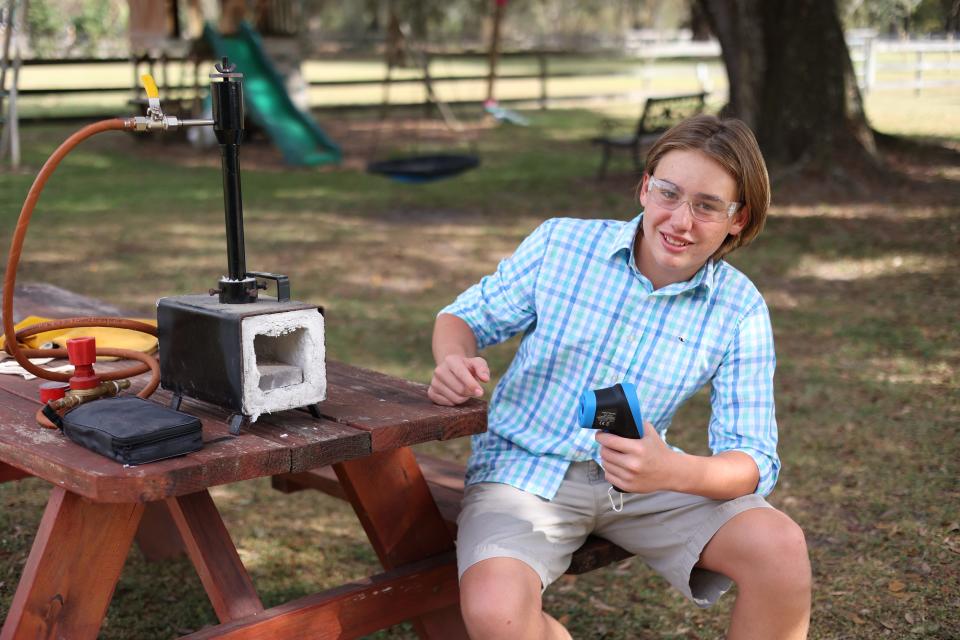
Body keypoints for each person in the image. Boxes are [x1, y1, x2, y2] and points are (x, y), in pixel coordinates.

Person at [428, 114, 811, 640]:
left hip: (645, 481)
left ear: (738, 218)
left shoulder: (739, 307)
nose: (681, 221)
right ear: (645, 188)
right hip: (523, 474)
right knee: (498, 615)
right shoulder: (561, 245)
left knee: (780, 547)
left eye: (706, 206)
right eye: (669, 194)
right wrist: (453, 358)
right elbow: (463, 318)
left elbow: (752, 460)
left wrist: (668, 471)